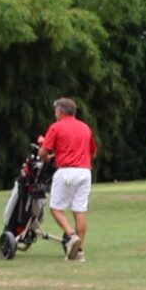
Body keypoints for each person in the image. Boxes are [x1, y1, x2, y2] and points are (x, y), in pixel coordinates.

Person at [36, 97, 95, 260]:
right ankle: (79, 252)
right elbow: (93, 152)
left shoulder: (56, 127)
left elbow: (43, 152)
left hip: (66, 171)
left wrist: (48, 160)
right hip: (85, 171)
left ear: (61, 111)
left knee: (56, 208)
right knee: (80, 210)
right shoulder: (85, 128)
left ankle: (71, 235)